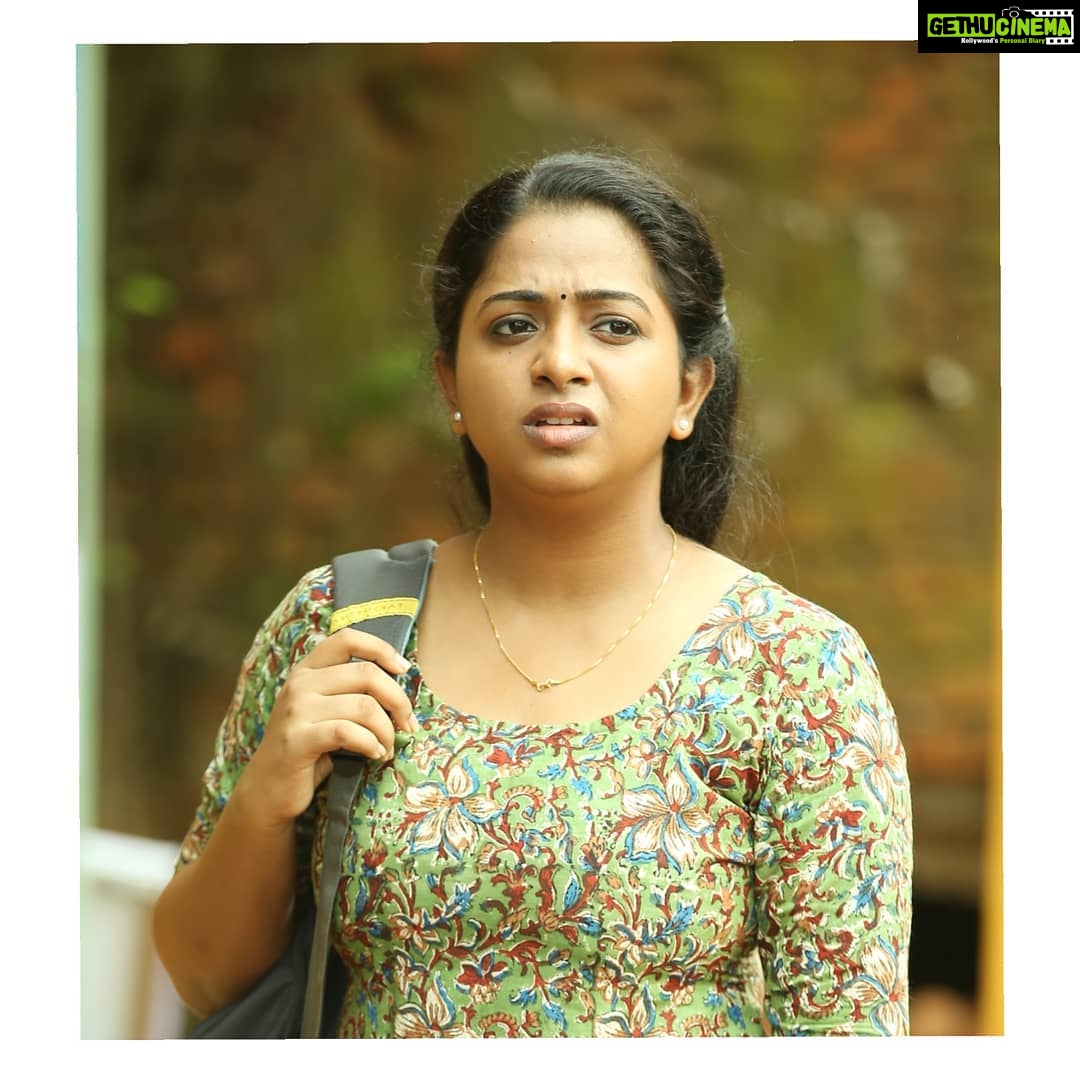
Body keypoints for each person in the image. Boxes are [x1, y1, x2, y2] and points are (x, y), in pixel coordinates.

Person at [152, 149, 913, 1037]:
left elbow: (847, 1033)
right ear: (450, 383)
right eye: (513, 326)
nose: (559, 362)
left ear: (689, 389)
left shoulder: (795, 670)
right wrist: (269, 791)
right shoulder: (344, 623)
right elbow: (203, 976)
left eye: (614, 327)